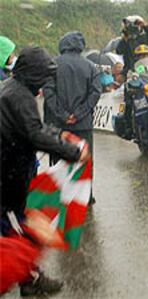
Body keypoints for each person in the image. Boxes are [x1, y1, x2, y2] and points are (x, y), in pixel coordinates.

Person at [0, 46, 89, 296]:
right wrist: (71, 152)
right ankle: (31, 279)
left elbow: (33, 127)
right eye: (42, 78)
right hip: (7, 178)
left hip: (10, 172)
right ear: (32, 74)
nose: (43, 85)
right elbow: (34, 134)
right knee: (19, 234)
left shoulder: (12, 89)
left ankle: (30, 278)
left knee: (16, 232)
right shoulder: (19, 96)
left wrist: (59, 135)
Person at [43, 31, 101, 205]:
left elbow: (48, 92)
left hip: (57, 124)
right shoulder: (91, 67)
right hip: (83, 124)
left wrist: (62, 115)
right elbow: (95, 92)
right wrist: (79, 114)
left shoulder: (52, 64)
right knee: (84, 159)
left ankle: (60, 194)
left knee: (58, 158)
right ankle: (86, 197)